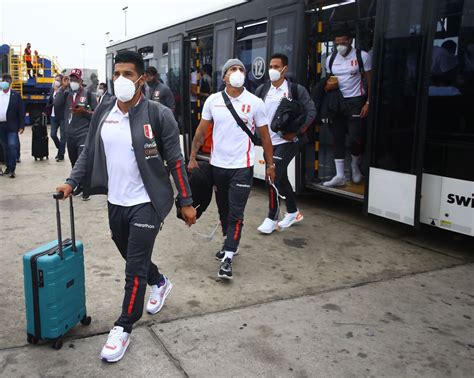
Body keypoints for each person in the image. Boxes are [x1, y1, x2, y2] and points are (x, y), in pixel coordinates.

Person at [55, 51, 197, 363]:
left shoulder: (159, 115)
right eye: (117, 73)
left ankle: (123, 326)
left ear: (142, 78)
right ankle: (160, 281)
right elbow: (89, 151)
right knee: (133, 255)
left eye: (128, 74)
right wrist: (72, 182)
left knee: (133, 269)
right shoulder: (105, 107)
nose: (121, 80)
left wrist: (185, 201)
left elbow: (175, 161)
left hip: (146, 203)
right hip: (116, 201)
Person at [188, 58, 275, 280]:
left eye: (240, 69)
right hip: (218, 166)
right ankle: (231, 244)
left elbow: (265, 138)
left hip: (242, 168)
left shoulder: (255, 102)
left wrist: (270, 165)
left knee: (236, 213)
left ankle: (227, 258)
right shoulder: (213, 101)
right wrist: (192, 157)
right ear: (225, 76)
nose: (237, 72)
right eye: (233, 69)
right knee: (224, 210)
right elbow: (200, 131)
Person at [255, 53, 316, 234]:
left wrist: (296, 132)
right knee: (280, 176)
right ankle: (293, 211)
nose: (272, 70)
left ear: (284, 69)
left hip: (288, 141)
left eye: (276, 66)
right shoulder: (262, 90)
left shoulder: (296, 90)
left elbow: (311, 111)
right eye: (270, 66)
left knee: (272, 176)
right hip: (269, 143)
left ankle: (272, 217)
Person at [323, 29, 372, 187]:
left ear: (350, 41)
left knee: (355, 138)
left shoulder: (362, 56)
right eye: (337, 43)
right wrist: (328, 87)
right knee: (337, 136)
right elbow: (330, 80)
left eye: (343, 42)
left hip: (356, 101)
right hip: (337, 102)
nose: (340, 46)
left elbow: (370, 81)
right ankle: (339, 175)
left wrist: (368, 102)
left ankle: (355, 166)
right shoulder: (330, 59)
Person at [54, 68, 97, 199]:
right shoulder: (66, 94)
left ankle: (86, 188)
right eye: (71, 79)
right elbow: (56, 104)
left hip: (83, 134)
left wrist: (84, 111)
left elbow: (96, 114)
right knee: (74, 162)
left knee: (81, 161)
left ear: (80, 80)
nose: (73, 81)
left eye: (75, 79)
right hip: (70, 134)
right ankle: (78, 185)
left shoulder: (88, 94)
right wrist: (62, 87)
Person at [0, 74, 25, 178]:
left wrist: (21, 125)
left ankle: (12, 169)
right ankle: (8, 167)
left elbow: (21, 111)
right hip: (1, 125)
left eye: (6, 81)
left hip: (12, 125)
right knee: (5, 147)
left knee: (12, 146)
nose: (3, 83)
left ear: (10, 83)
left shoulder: (15, 95)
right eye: (2, 81)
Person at [46, 74, 66, 161]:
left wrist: (58, 93)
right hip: (53, 116)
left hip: (62, 116)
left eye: (58, 80)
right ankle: (61, 149)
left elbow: (62, 102)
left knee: (63, 136)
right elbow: (50, 101)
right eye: (55, 79)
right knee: (53, 134)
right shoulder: (52, 89)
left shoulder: (64, 91)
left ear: (61, 81)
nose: (56, 81)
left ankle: (60, 154)